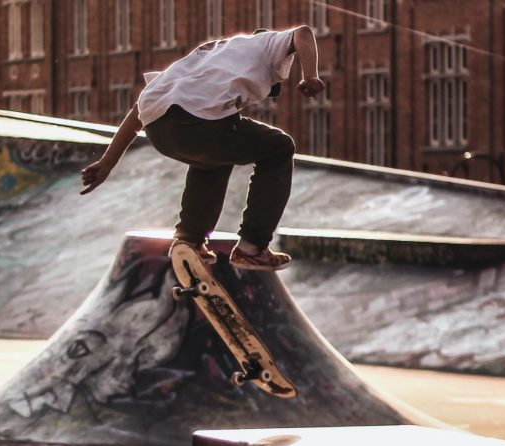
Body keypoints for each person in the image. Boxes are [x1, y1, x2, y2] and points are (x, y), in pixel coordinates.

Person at [80, 25, 324, 271]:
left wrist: (107, 163)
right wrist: (310, 75)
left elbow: (138, 112)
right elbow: (303, 33)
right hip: (197, 124)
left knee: (214, 157)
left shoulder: (208, 56)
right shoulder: (265, 44)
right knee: (279, 147)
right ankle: (252, 247)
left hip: (160, 131)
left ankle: (189, 240)